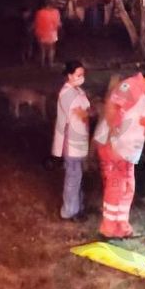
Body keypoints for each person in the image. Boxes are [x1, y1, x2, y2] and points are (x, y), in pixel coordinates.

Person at [93, 66, 145, 239]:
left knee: (127, 187)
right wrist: (113, 138)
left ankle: (122, 224)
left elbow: (138, 118)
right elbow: (112, 107)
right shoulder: (130, 87)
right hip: (116, 146)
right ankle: (108, 227)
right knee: (116, 186)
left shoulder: (142, 93)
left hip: (128, 149)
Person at [51, 61, 91, 221]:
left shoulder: (77, 90)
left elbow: (86, 110)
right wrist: (96, 111)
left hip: (80, 139)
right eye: (78, 75)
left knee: (78, 176)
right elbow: (82, 113)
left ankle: (78, 207)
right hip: (71, 141)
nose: (81, 78)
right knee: (73, 177)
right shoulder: (67, 94)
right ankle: (69, 211)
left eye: (83, 75)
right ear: (69, 75)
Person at [33, 0, 62, 69]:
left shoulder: (39, 12)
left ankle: (42, 63)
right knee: (51, 49)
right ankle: (50, 63)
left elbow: (36, 23)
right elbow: (58, 24)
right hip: (51, 34)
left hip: (40, 33)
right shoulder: (56, 12)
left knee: (42, 49)